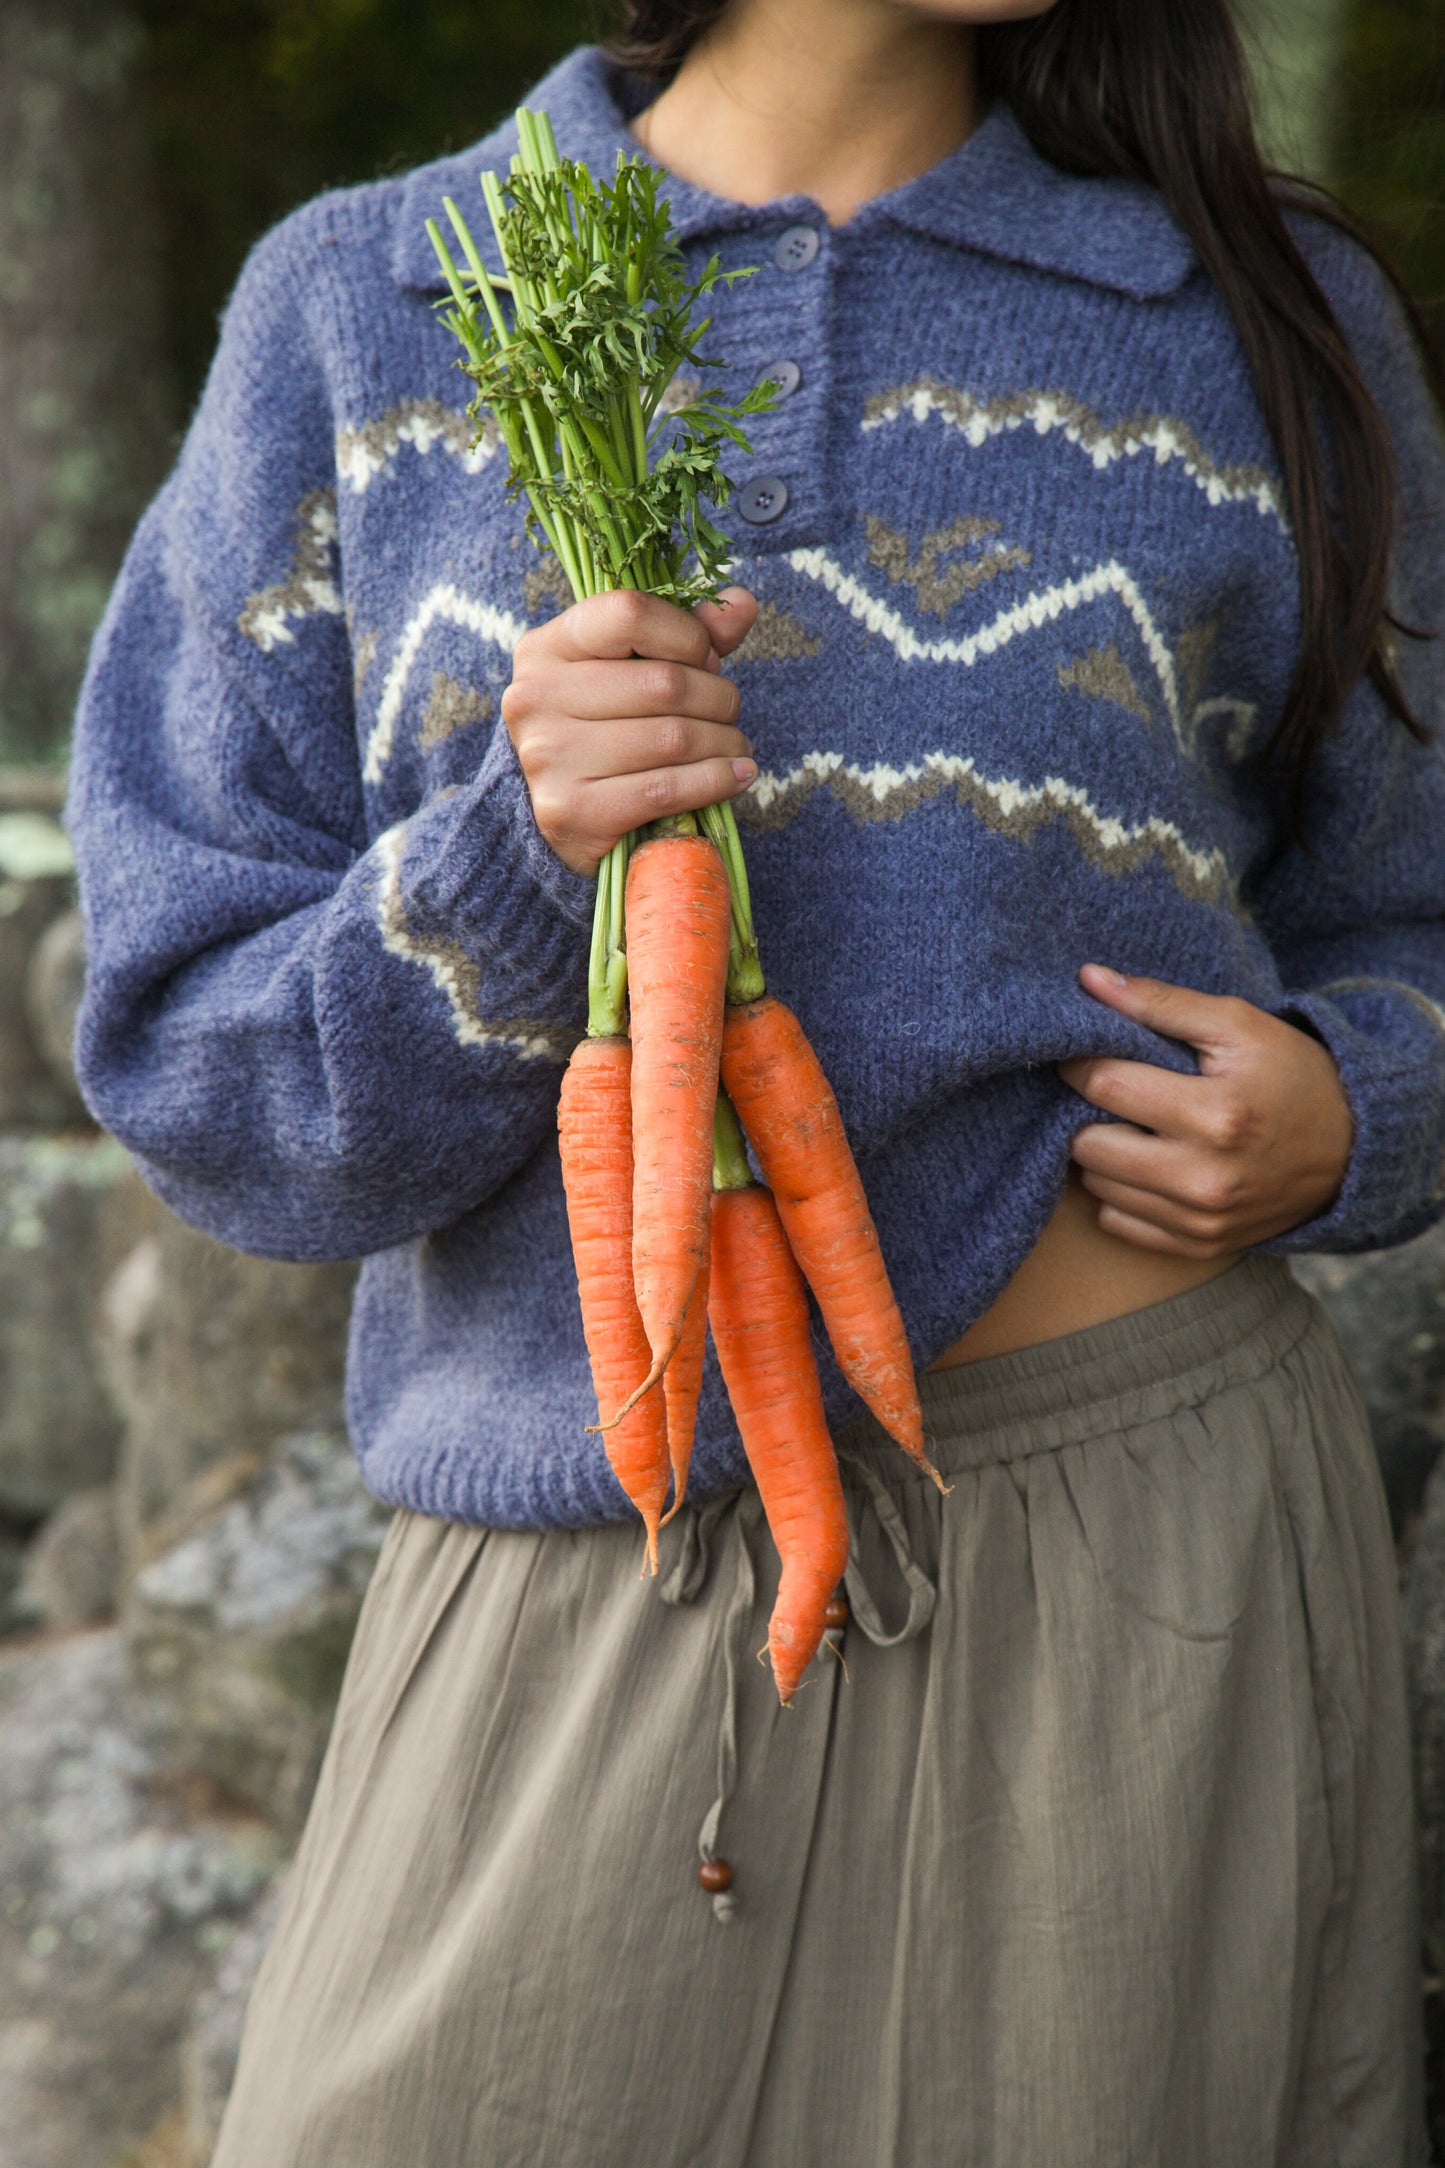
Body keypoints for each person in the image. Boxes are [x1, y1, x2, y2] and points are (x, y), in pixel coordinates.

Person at [66, 0, 1445, 2161]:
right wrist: (518, 869)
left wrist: (1364, 1102)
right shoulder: (375, 307)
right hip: (565, 1559)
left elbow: (1421, 914)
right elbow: (191, 1064)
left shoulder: (1262, 315)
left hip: (1137, 1582)